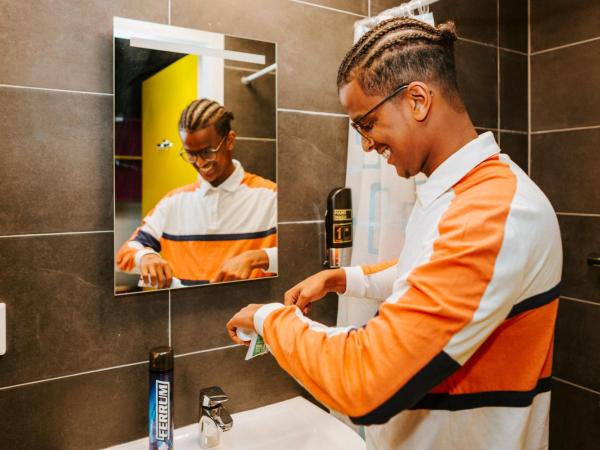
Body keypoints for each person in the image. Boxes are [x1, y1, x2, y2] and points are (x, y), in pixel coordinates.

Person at [226, 17, 562, 450]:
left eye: (366, 122)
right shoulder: (459, 193)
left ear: (417, 100)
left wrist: (266, 319)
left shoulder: (494, 212)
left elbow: (363, 381)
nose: (366, 144)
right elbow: (428, 270)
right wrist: (345, 279)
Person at [117, 98, 277, 288]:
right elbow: (125, 254)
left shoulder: (271, 196)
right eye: (190, 154)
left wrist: (256, 257)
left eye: (208, 151)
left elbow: (301, 255)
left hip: (248, 315)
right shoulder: (173, 202)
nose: (200, 163)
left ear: (230, 141)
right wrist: (145, 257)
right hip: (184, 314)